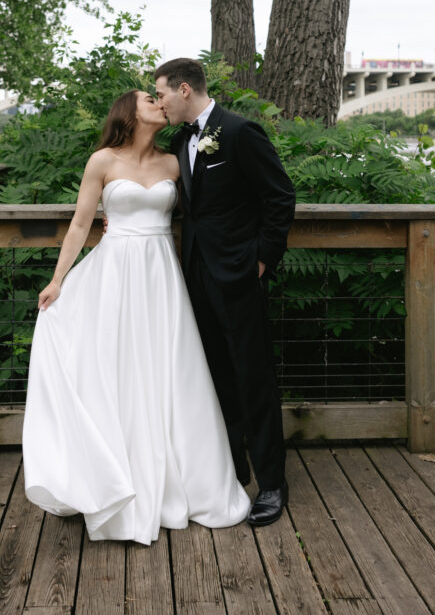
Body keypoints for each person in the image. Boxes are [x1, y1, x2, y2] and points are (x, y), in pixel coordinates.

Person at [22, 89, 250, 545]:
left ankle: (185, 480)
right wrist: (57, 280)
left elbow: (208, 211)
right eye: (150, 98)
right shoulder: (102, 161)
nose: (159, 103)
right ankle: (113, 478)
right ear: (129, 111)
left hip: (161, 276)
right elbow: (80, 224)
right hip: (116, 275)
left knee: (170, 371)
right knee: (119, 370)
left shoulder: (175, 161)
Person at [155, 58, 295, 527]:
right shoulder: (178, 140)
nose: (160, 103)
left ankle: (272, 483)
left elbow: (280, 196)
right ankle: (230, 471)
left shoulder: (238, 132)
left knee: (253, 377)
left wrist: (262, 259)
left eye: (163, 94)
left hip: (239, 275)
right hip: (193, 276)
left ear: (185, 90)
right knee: (214, 376)